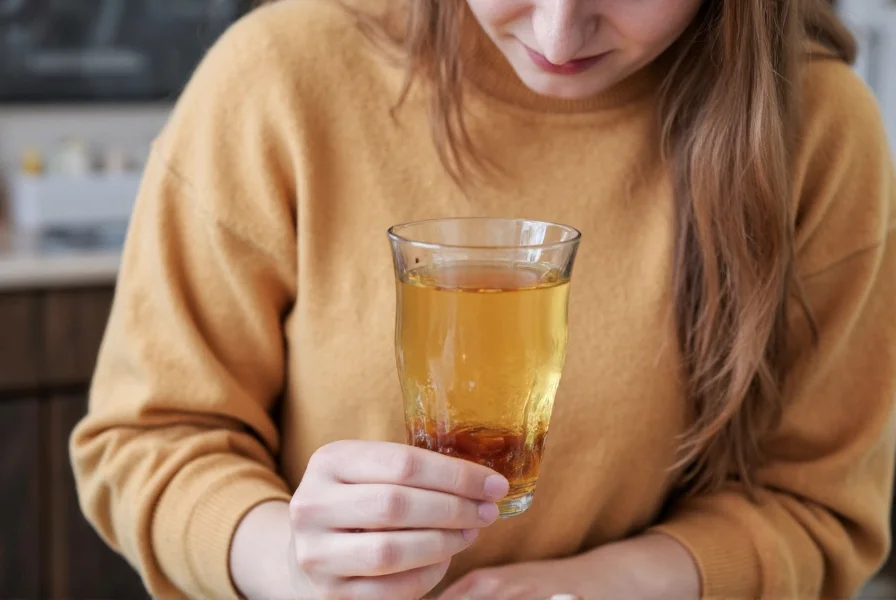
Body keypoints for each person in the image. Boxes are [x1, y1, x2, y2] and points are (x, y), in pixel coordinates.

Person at [69, 0, 896, 598]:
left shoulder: (815, 131)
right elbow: (150, 440)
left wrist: (601, 586)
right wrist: (289, 563)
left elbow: (816, 507)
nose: (559, 30)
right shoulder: (278, 80)